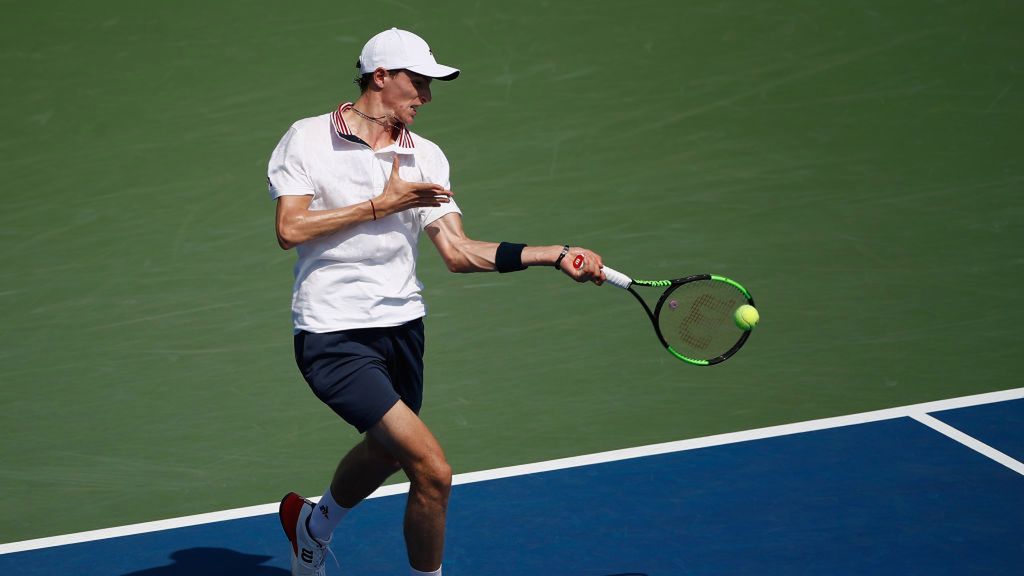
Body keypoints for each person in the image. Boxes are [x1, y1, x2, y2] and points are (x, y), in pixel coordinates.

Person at [267, 28, 606, 576]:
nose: (425, 96)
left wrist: (553, 253)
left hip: (402, 329)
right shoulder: (306, 139)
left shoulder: (425, 156)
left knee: (384, 451)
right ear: (381, 77)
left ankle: (313, 525)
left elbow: (457, 250)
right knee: (432, 470)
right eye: (418, 82)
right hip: (333, 334)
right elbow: (291, 227)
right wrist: (380, 205)